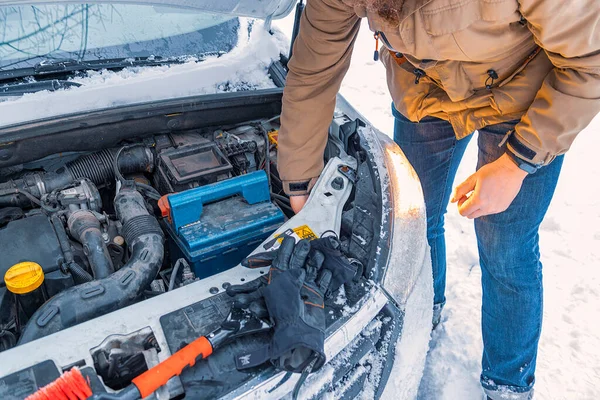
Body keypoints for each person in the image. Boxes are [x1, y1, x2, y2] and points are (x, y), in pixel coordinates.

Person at [276, 0, 600, 398]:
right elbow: (312, 74)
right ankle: (423, 311)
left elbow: (591, 61)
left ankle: (509, 382)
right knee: (415, 220)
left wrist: (517, 163)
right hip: (426, 95)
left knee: (506, 246)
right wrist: (299, 181)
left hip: (526, 96)